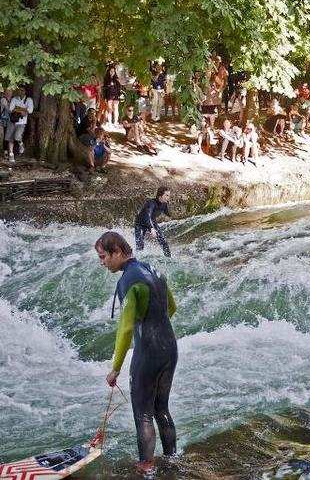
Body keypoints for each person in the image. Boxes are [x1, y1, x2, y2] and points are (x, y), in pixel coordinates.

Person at [95, 231, 177, 475]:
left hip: (149, 354)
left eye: (103, 257)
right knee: (161, 407)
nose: (102, 262)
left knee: (142, 413)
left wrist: (115, 368)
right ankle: (172, 457)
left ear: (117, 252)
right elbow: (171, 307)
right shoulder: (155, 270)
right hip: (170, 349)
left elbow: (126, 328)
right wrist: (154, 324)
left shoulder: (128, 281)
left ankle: (146, 465)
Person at [134, 186, 173, 257]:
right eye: (166, 195)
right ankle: (138, 259)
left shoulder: (164, 204)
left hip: (152, 222)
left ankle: (169, 258)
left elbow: (169, 214)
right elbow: (147, 216)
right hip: (140, 223)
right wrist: (151, 228)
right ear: (160, 196)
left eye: (169, 195)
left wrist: (170, 211)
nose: (168, 197)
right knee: (140, 244)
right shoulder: (151, 203)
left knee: (163, 241)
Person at [6, 86, 34, 162]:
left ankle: (21, 145)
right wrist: (23, 110)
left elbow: (30, 110)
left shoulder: (29, 100)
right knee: (10, 138)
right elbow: (11, 109)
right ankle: (11, 155)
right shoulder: (14, 99)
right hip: (12, 121)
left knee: (17, 137)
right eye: (19, 90)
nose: (20, 92)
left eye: (22, 90)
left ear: (25, 91)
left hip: (21, 122)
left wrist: (17, 108)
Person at [0, 89, 11, 157]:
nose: (9, 93)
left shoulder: (11, 99)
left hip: (10, 120)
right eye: (8, 92)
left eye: (10, 92)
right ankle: (5, 151)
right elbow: (8, 109)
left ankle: (7, 151)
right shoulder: (3, 100)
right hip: (4, 120)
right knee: (6, 135)